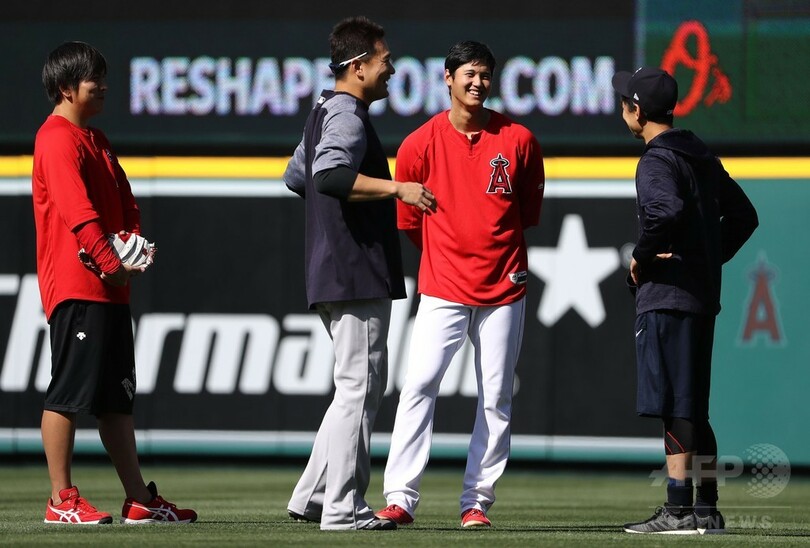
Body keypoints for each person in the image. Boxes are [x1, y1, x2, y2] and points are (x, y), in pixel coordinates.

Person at [374, 41, 545, 528]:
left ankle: (476, 502)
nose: (478, 82)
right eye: (469, 73)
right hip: (444, 285)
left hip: (503, 286)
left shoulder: (518, 139)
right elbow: (410, 223)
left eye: (485, 74)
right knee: (419, 385)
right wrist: (448, 256)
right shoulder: (418, 144)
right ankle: (400, 498)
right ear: (448, 77)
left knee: (495, 395)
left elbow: (524, 215)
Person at [33, 41, 197, 524]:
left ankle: (138, 499)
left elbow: (125, 199)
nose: (103, 86)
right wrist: (110, 262)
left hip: (109, 287)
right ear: (66, 87)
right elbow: (78, 213)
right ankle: (60, 499)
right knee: (67, 394)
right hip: (77, 287)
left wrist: (131, 242)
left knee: (116, 402)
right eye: (94, 79)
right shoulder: (56, 138)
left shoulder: (96, 138)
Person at [282, 16, 436, 531]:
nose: (391, 69)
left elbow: (296, 175)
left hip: (332, 268)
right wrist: (397, 189)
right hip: (353, 270)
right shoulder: (346, 112)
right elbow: (327, 175)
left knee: (352, 386)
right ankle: (343, 508)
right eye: (384, 61)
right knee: (360, 388)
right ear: (358, 66)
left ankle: (313, 496)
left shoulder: (324, 108)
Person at [611, 67, 758, 534]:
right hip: (699, 294)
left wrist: (641, 257)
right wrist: (705, 258)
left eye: (625, 102)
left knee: (676, 403)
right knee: (693, 405)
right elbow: (744, 216)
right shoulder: (700, 155)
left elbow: (666, 211)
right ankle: (706, 508)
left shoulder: (656, 160)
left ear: (637, 111)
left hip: (669, 295)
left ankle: (677, 509)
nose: (621, 109)